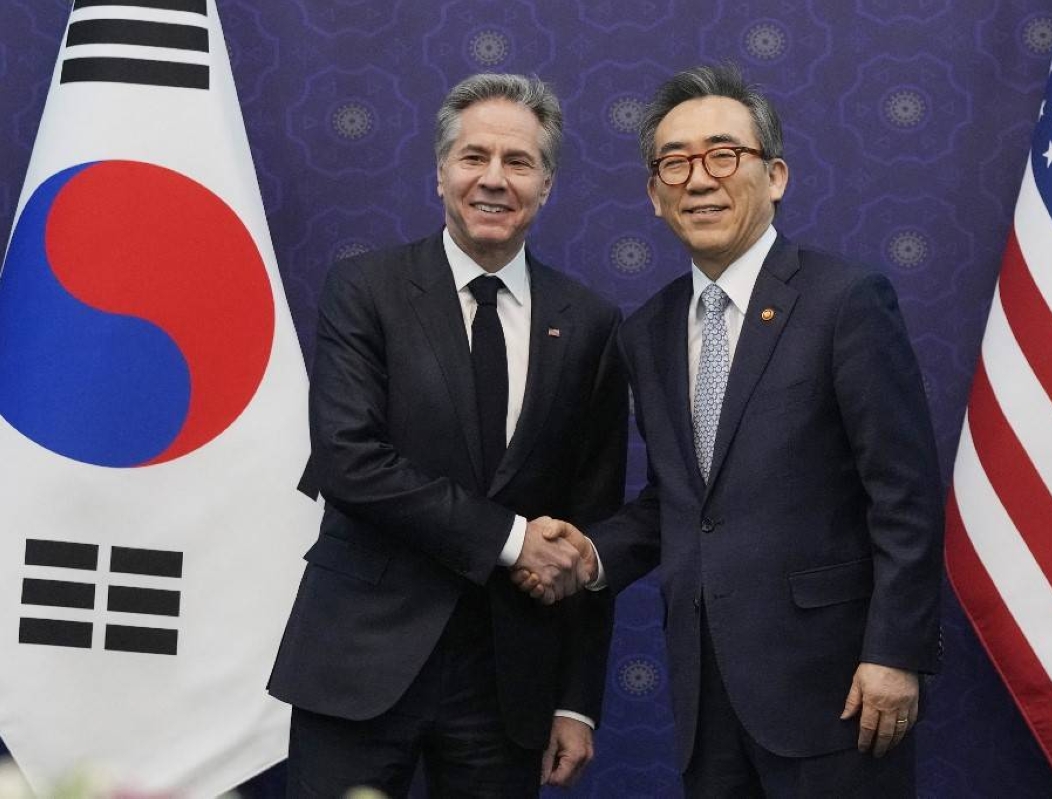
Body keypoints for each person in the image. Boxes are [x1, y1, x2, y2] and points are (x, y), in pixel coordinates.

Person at [518, 63, 944, 796]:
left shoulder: (846, 301)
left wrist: (895, 652)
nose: (699, 178)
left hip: (839, 691)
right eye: (674, 162)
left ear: (774, 175)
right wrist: (592, 554)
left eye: (724, 154)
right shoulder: (647, 331)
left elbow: (904, 495)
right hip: (706, 698)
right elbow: (680, 501)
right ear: (654, 195)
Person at [268, 73, 627, 798]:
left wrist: (575, 698)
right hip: (359, 663)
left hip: (509, 682)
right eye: (473, 157)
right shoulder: (364, 288)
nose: (493, 179)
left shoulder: (590, 322)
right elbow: (349, 460)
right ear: (440, 173)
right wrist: (512, 538)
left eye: (518, 162)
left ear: (547, 184)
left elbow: (594, 520)